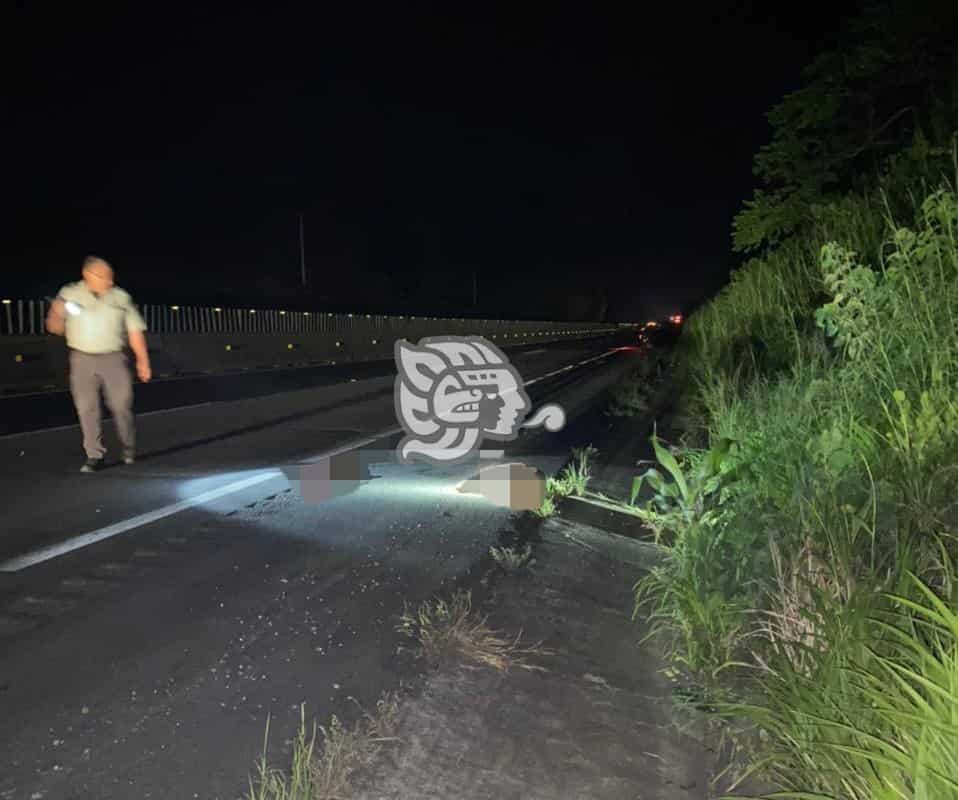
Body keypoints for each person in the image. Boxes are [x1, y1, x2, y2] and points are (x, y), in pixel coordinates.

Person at [46, 256, 152, 472]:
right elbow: (54, 325)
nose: (109, 281)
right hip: (81, 359)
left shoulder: (121, 298)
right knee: (87, 408)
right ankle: (94, 455)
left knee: (121, 405)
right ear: (87, 275)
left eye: (111, 277)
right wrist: (56, 316)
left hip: (113, 358)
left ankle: (128, 447)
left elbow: (134, 330)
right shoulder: (70, 294)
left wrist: (143, 361)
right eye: (104, 277)